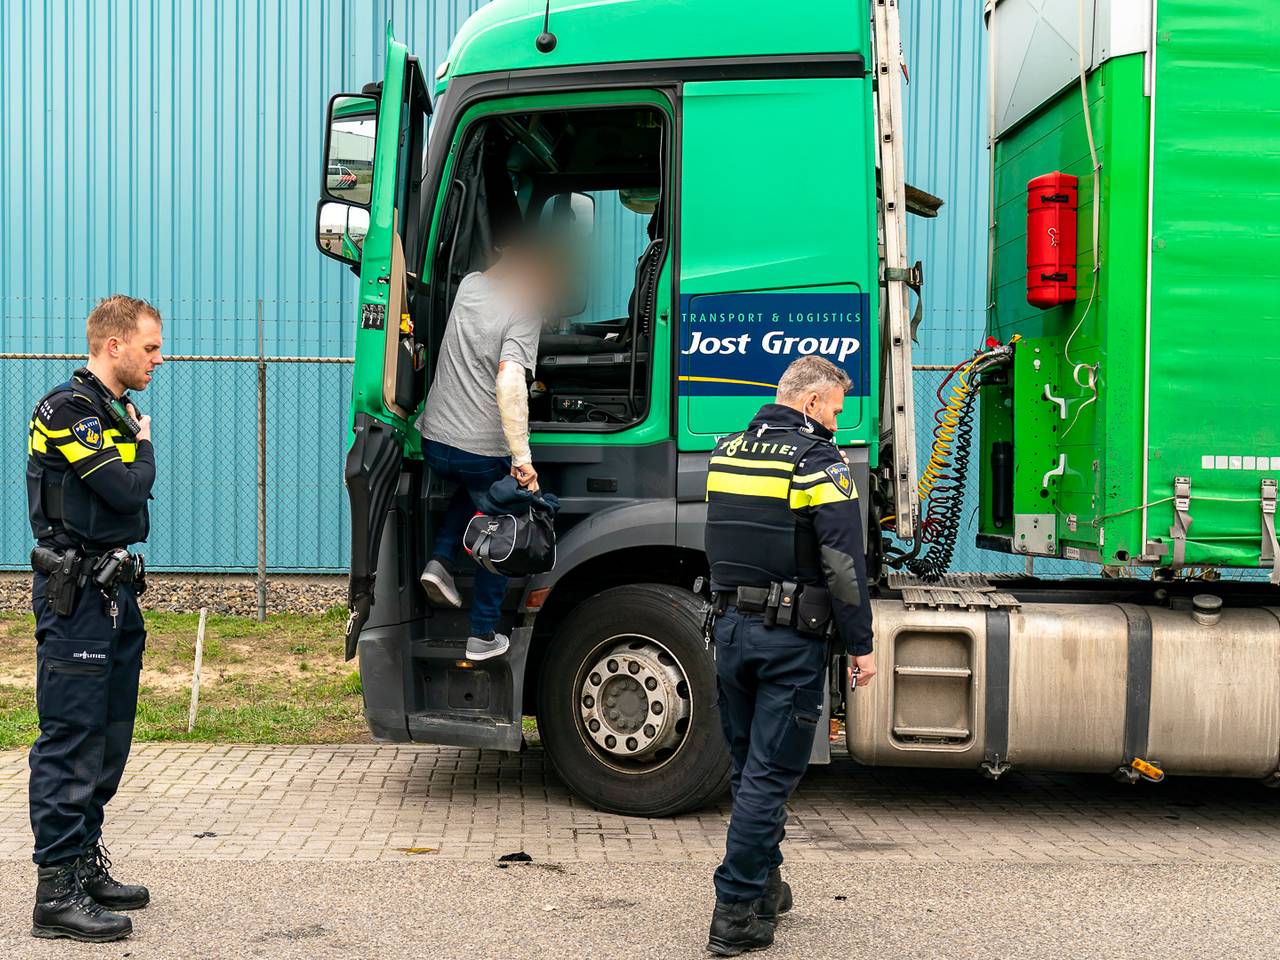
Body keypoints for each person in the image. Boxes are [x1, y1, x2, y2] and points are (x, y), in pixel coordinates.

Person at [702, 355, 877, 956]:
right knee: (772, 777)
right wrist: (862, 643)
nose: (837, 420)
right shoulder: (817, 461)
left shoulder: (726, 451)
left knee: (751, 766)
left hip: (729, 630)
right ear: (809, 404)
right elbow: (843, 563)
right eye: (834, 408)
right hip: (788, 640)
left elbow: (724, 538)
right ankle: (734, 914)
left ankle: (766, 885)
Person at [25, 294, 164, 942]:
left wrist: (131, 442)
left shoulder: (110, 410)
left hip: (113, 594)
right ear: (115, 346)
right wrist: (144, 446)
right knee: (71, 741)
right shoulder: (67, 410)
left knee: (108, 739)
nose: (159, 359)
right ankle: (55, 893)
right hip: (75, 598)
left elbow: (124, 506)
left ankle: (83, 861)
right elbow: (125, 491)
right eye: (150, 347)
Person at [416, 226, 559, 661]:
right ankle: (482, 635)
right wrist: (523, 459)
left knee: (477, 490)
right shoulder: (524, 308)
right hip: (478, 447)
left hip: (435, 441)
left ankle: (440, 561)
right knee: (505, 526)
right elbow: (511, 380)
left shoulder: (470, 285)